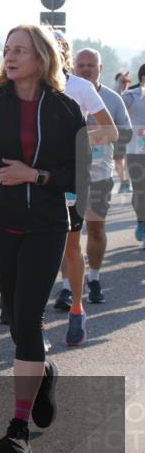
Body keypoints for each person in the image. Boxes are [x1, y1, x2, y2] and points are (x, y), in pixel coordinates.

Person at [0, 24, 88, 453]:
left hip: (48, 225)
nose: (9, 57)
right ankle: (43, 370)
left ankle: (17, 426)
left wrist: (36, 176)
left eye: (19, 51)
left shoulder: (67, 110)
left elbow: (78, 175)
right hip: (0, 223)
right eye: (6, 50)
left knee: (27, 319)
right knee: (14, 320)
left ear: (42, 58)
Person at [49, 33, 116, 347]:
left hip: (76, 177)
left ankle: (76, 304)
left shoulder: (80, 87)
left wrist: (77, 141)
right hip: (34, 179)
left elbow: (111, 131)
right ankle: (29, 320)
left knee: (71, 242)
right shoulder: (23, 87)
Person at [73, 48, 132, 304]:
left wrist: (102, 136)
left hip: (100, 175)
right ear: (74, 67)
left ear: (100, 68)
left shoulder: (112, 99)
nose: (86, 69)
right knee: (69, 233)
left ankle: (94, 278)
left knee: (96, 229)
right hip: (69, 176)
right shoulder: (66, 94)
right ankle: (67, 285)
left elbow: (127, 134)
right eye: (81, 65)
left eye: (91, 65)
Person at [122, 64, 145, 247]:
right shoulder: (131, 95)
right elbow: (114, 104)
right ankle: (141, 223)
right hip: (136, 152)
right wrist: (120, 87)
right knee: (140, 190)